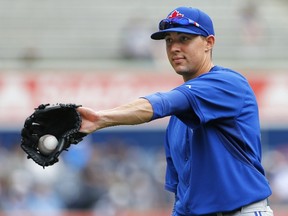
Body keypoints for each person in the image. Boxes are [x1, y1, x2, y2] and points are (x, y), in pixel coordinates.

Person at [77, 6, 274, 216]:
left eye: (184, 39)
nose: (174, 48)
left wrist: (100, 119)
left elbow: (164, 102)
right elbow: (183, 196)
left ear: (209, 43)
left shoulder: (227, 83)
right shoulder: (177, 122)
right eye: (169, 40)